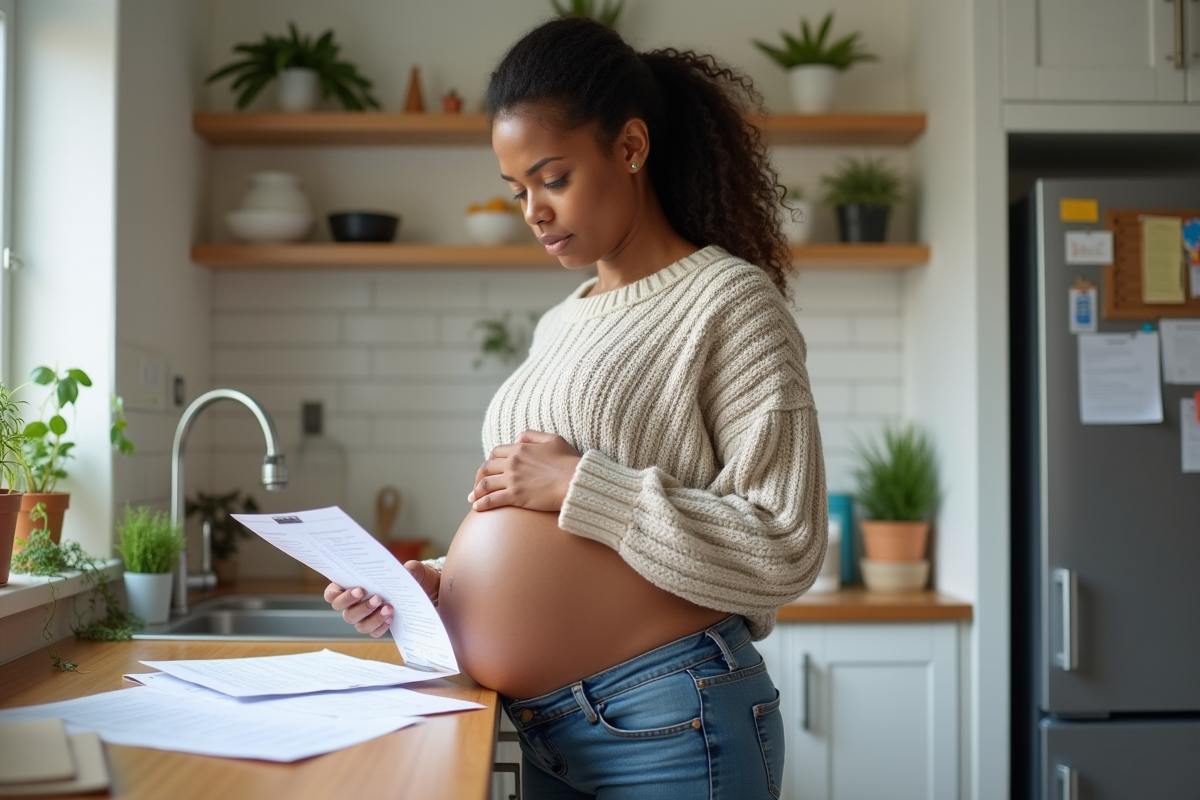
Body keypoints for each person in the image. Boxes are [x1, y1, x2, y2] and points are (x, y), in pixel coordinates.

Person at [324, 16, 826, 799]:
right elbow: (542, 533)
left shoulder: (730, 302)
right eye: (517, 189)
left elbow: (785, 544)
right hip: (546, 729)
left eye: (553, 178)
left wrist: (577, 484)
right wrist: (440, 586)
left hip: (669, 718)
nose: (533, 210)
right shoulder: (565, 318)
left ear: (629, 147)